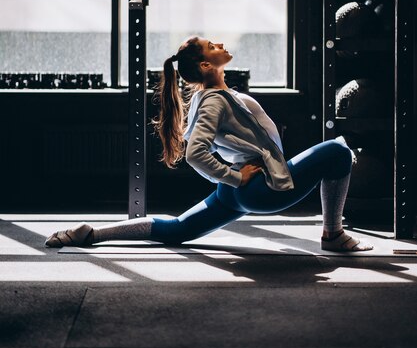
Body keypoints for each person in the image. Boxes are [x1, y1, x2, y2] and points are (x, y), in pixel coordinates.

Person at [45, 36, 373, 252]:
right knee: (338, 150)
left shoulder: (210, 99)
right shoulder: (214, 101)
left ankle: (93, 233)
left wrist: (228, 180)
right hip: (259, 190)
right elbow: (196, 153)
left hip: (236, 195)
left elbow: (204, 150)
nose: (219, 43)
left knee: (177, 229)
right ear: (206, 65)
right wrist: (236, 176)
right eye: (211, 46)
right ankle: (333, 234)